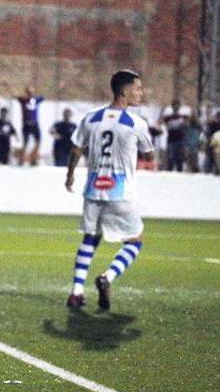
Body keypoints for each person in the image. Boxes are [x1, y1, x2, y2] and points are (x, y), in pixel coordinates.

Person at [65, 69, 154, 311]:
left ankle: (76, 292)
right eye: (137, 88)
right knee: (135, 241)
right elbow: (149, 153)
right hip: (120, 192)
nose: (140, 93)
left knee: (90, 238)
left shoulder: (91, 117)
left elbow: (75, 149)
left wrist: (70, 175)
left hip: (93, 190)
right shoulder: (136, 123)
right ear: (124, 91)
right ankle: (108, 277)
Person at [4, 81, 44, 165]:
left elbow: (43, 96)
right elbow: (15, 95)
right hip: (26, 124)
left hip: (35, 124)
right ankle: (21, 159)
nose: (30, 93)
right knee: (25, 142)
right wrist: (8, 86)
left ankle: (33, 159)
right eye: (28, 91)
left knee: (38, 141)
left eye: (31, 91)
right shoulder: (24, 100)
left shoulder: (36, 100)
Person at [160, 99, 188, 171]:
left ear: (179, 107)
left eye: (177, 105)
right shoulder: (168, 117)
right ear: (172, 107)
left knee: (180, 158)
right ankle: (170, 171)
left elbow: (189, 124)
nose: (176, 107)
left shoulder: (183, 117)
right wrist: (162, 111)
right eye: (174, 105)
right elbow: (161, 121)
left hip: (180, 140)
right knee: (170, 158)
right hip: (171, 140)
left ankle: (180, 171)